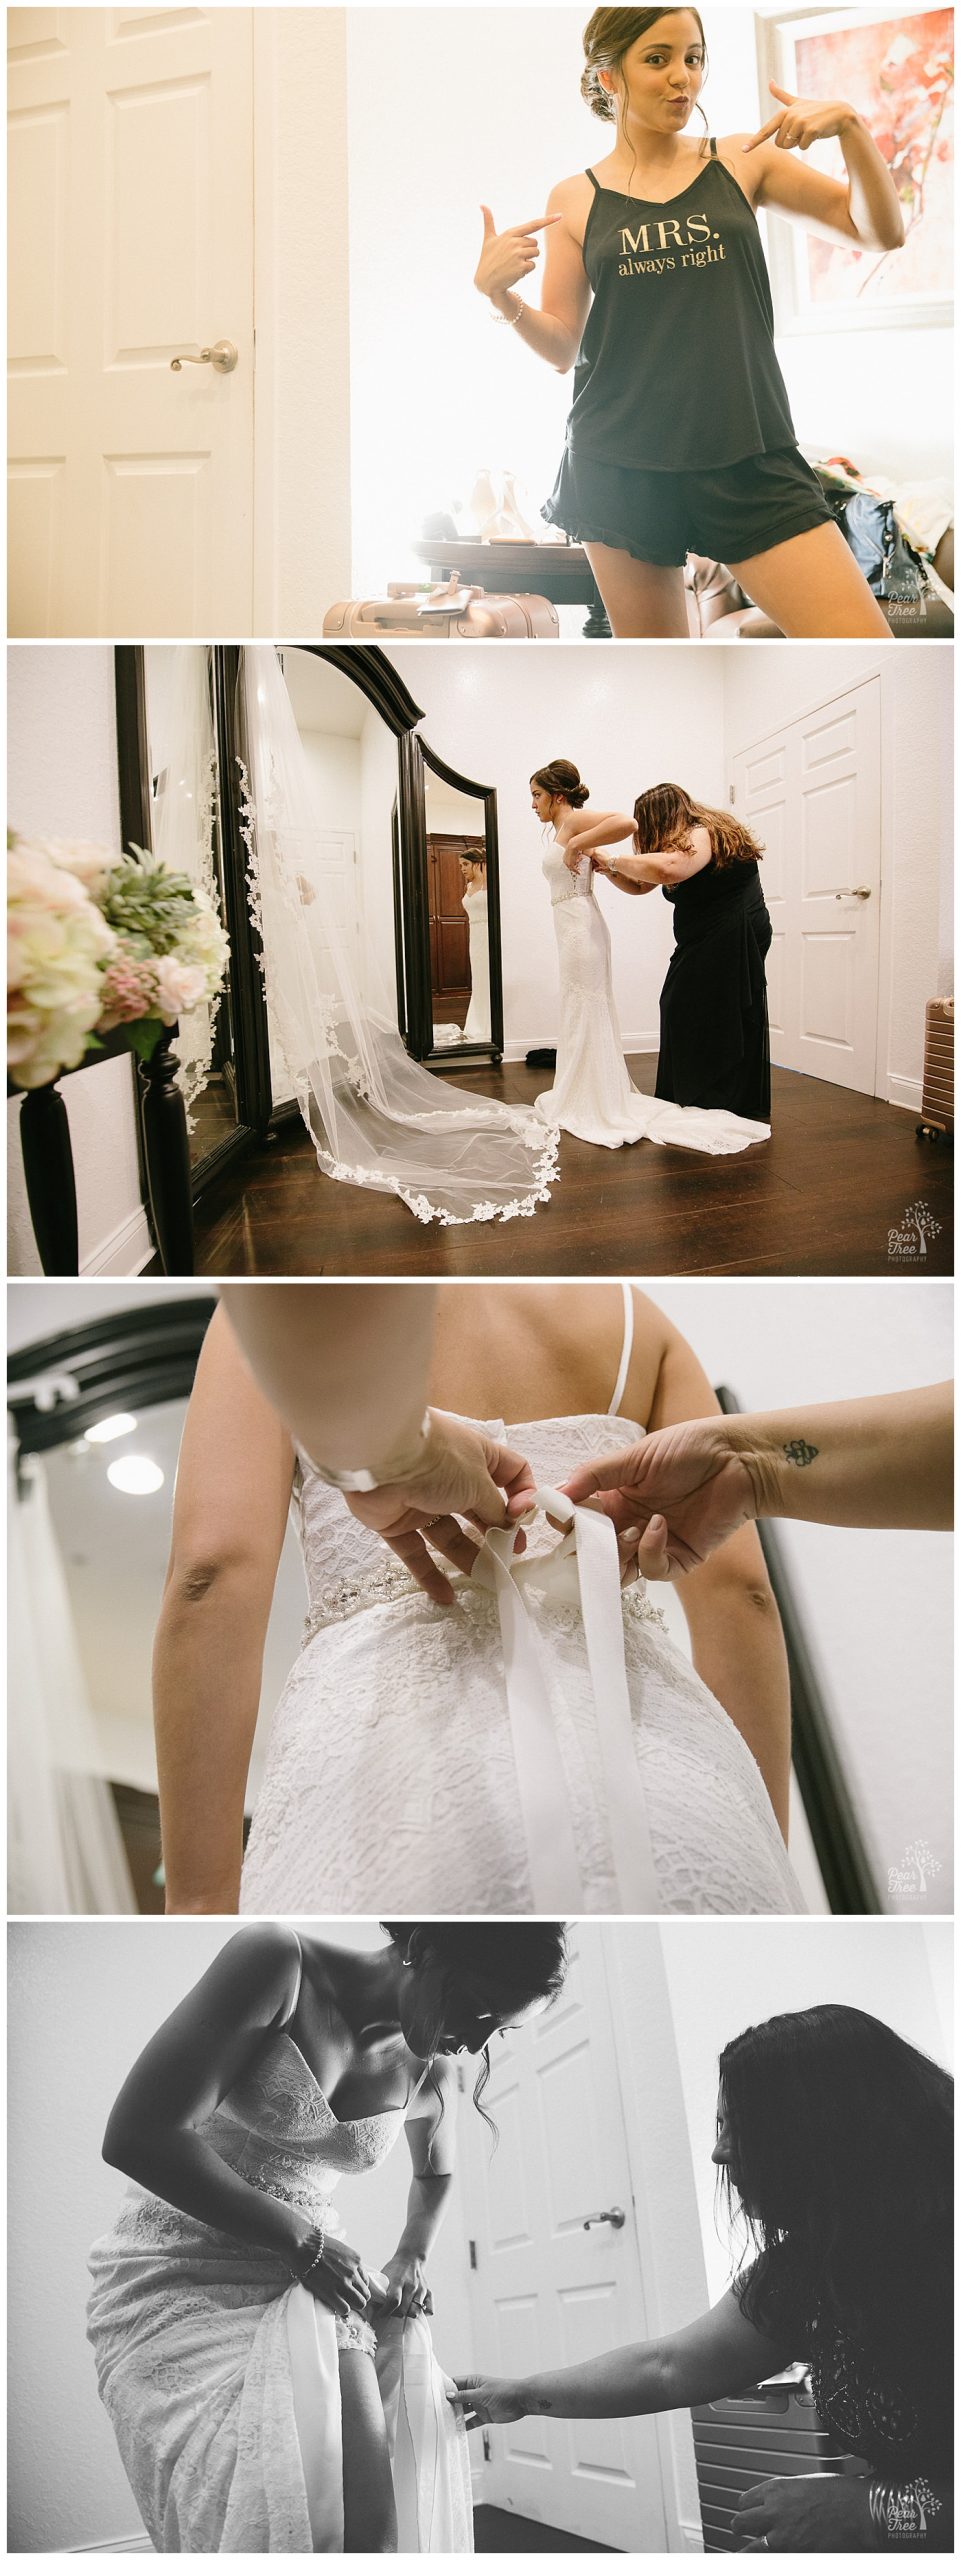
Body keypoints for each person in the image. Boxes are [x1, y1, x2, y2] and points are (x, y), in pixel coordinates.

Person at [155, 1281, 804, 1917]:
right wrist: (763, 1852)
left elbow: (211, 1574)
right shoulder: (636, 1314)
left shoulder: (279, 1310)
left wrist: (197, 1901)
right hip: (673, 1789)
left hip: (396, 1791)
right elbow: (739, 1596)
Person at [87, 1919, 568, 2555]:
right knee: (239, 2504)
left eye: (497, 2029)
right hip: (178, 2267)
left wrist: (413, 2255)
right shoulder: (279, 1964)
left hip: (308, 2283)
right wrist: (302, 2242)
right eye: (473, 2010)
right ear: (422, 1946)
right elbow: (139, 2134)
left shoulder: (434, 2070)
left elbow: (437, 2174)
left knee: (364, 2520)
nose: (473, 2045)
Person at [450, 2006, 954, 2553]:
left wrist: (872, 2508)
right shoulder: (803, 2270)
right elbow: (669, 2367)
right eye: (721, 2128)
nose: (718, 2154)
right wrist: (518, 2396)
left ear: (824, 2128)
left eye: (744, 2131)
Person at [474, 8, 903, 638]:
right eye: (657, 59)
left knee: (867, 656)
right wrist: (499, 297)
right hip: (619, 464)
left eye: (693, 58)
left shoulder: (741, 160)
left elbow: (879, 230)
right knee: (664, 679)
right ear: (608, 75)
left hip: (751, 456)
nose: (683, 78)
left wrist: (852, 129)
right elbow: (563, 346)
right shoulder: (575, 198)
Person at [530, 760, 769, 1150]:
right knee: (679, 1005)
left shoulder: (701, 834)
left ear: (663, 816)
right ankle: (693, 1093)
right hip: (703, 936)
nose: (645, 832)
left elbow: (672, 868)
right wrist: (609, 871)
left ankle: (719, 1097)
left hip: (733, 933)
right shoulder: (679, 844)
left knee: (712, 1009)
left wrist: (605, 857)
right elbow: (643, 886)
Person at [537, 1380, 954, 1574]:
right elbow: (744, 1594)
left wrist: (744, 1466)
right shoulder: (632, 1314)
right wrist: (744, 1467)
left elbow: (742, 1594)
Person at [459, 853, 491, 1041]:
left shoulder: (489, 884)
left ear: (478, 864)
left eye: (465, 864)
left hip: (488, 935)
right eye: (461, 865)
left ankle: (488, 1025)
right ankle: (477, 1022)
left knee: (488, 978)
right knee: (479, 979)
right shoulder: (469, 886)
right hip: (475, 937)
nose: (462, 868)